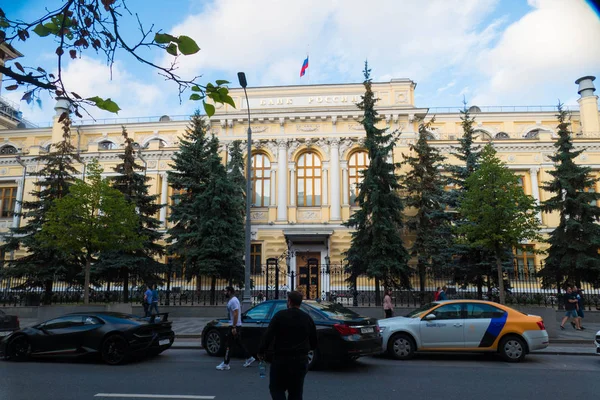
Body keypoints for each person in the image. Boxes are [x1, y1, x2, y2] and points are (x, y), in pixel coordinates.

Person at [258, 291, 318, 400]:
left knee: (276, 389)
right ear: (300, 303)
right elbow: (314, 343)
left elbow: (268, 336)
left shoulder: (279, 316)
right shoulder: (307, 318)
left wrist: (261, 352)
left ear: (289, 301)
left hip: (281, 360)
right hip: (300, 361)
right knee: (296, 392)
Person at [216, 286, 255, 370]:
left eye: (225, 291)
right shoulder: (233, 300)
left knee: (228, 345)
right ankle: (249, 357)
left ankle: (226, 363)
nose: (224, 293)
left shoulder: (233, 301)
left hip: (235, 326)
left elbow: (236, 313)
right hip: (235, 325)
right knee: (238, 343)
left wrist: (234, 327)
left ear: (229, 292)